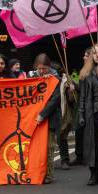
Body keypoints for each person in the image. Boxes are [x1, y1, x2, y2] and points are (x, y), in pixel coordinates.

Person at [79, 44, 98, 185]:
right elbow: (82, 97)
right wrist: (81, 114)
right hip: (91, 113)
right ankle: (94, 174)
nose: (96, 55)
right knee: (92, 145)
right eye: (94, 53)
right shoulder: (85, 73)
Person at [33, 54, 61, 184]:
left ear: (49, 67)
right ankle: (37, 172)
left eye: (44, 68)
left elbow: (55, 100)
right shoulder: (32, 78)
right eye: (39, 68)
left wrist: (42, 114)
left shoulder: (55, 79)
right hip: (34, 119)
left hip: (50, 119)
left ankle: (49, 174)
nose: (42, 71)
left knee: (49, 147)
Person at [51, 62, 76, 170]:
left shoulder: (66, 82)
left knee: (62, 137)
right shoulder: (45, 80)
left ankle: (65, 160)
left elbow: (72, 99)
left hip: (62, 111)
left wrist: (71, 90)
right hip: (49, 112)